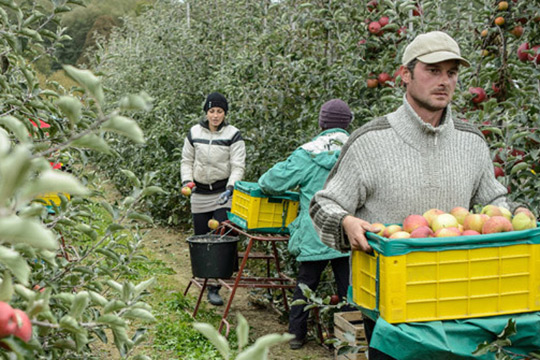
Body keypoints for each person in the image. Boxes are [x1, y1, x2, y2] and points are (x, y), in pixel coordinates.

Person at [309, 31, 531, 359]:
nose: (444, 81)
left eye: (451, 72)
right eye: (433, 70)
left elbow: (494, 202)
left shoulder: (472, 142)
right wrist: (346, 224)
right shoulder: (370, 141)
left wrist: (515, 216)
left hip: (461, 302)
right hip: (392, 309)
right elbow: (322, 205)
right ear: (405, 74)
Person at [258, 99, 353, 350]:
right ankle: (348, 340)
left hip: (317, 231)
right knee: (350, 289)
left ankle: (296, 335)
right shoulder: (359, 149)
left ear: (321, 122)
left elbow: (271, 182)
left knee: (306, 283)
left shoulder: (309, 152)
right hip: (349, 232)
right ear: (348, 124)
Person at [181, 92, 246, 306]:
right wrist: (186, 181)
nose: (215, 115)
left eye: (219, 111)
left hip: (222, 194)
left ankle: (215, 286)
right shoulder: (194, 133)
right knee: (201, 237)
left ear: (225, 113)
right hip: (199, 193)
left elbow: (238, 165)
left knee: (219, 236)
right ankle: (206, 278)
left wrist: (231, 187)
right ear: (206, 112)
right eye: (211, 111)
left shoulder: (233, 134)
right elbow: (186, 160)